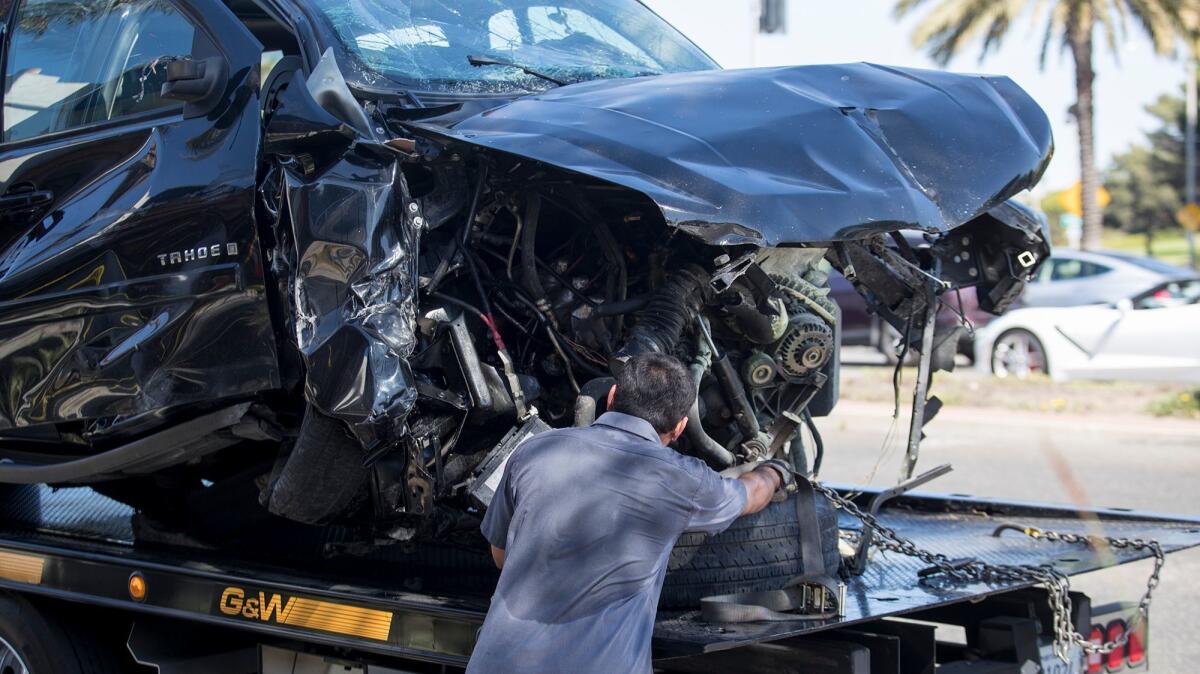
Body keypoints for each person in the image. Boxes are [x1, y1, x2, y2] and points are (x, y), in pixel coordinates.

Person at [466, 352, 795, 674]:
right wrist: (776, 471)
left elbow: (501, 556)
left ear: (610, 396)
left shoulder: (534, 450)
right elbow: (748, 495)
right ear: (681, 427)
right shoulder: (685, 480)